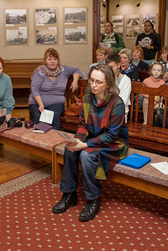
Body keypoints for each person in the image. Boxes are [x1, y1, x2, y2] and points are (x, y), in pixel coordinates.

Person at [52, 64, 129, 222]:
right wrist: (77, 140)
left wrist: (86, 145)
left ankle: (93, 198)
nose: (93, 85)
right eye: (91, 81)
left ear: (108, 83)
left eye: (98, 82)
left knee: (87, 156)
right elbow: (82, 125)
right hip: (93, 136)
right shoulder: (87, 98)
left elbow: (112, 135)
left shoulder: (117, 103)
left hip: (113, 143)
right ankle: (69, 194)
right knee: (70, 150)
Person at [29, 48, 80, 129]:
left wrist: (75, 81)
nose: (52, 61)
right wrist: (40, 104)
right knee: (38, 118)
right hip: (37, 103)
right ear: (45, 61)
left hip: (57, 103)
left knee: (52, 116)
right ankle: (39, 139)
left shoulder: (64, 70)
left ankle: (55, 139)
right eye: (49, 59)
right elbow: (34, 90)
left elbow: (76, 70)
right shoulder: (39, 72)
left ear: (58, 61)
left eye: (55, 59)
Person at [106, 54, 131, 121]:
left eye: (112, 67)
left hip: (119, 113)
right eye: (108, 68)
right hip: (105, 112)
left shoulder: (126, 80)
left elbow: (123, 101)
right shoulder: (105, 79)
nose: (110, 70)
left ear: (118, 65)